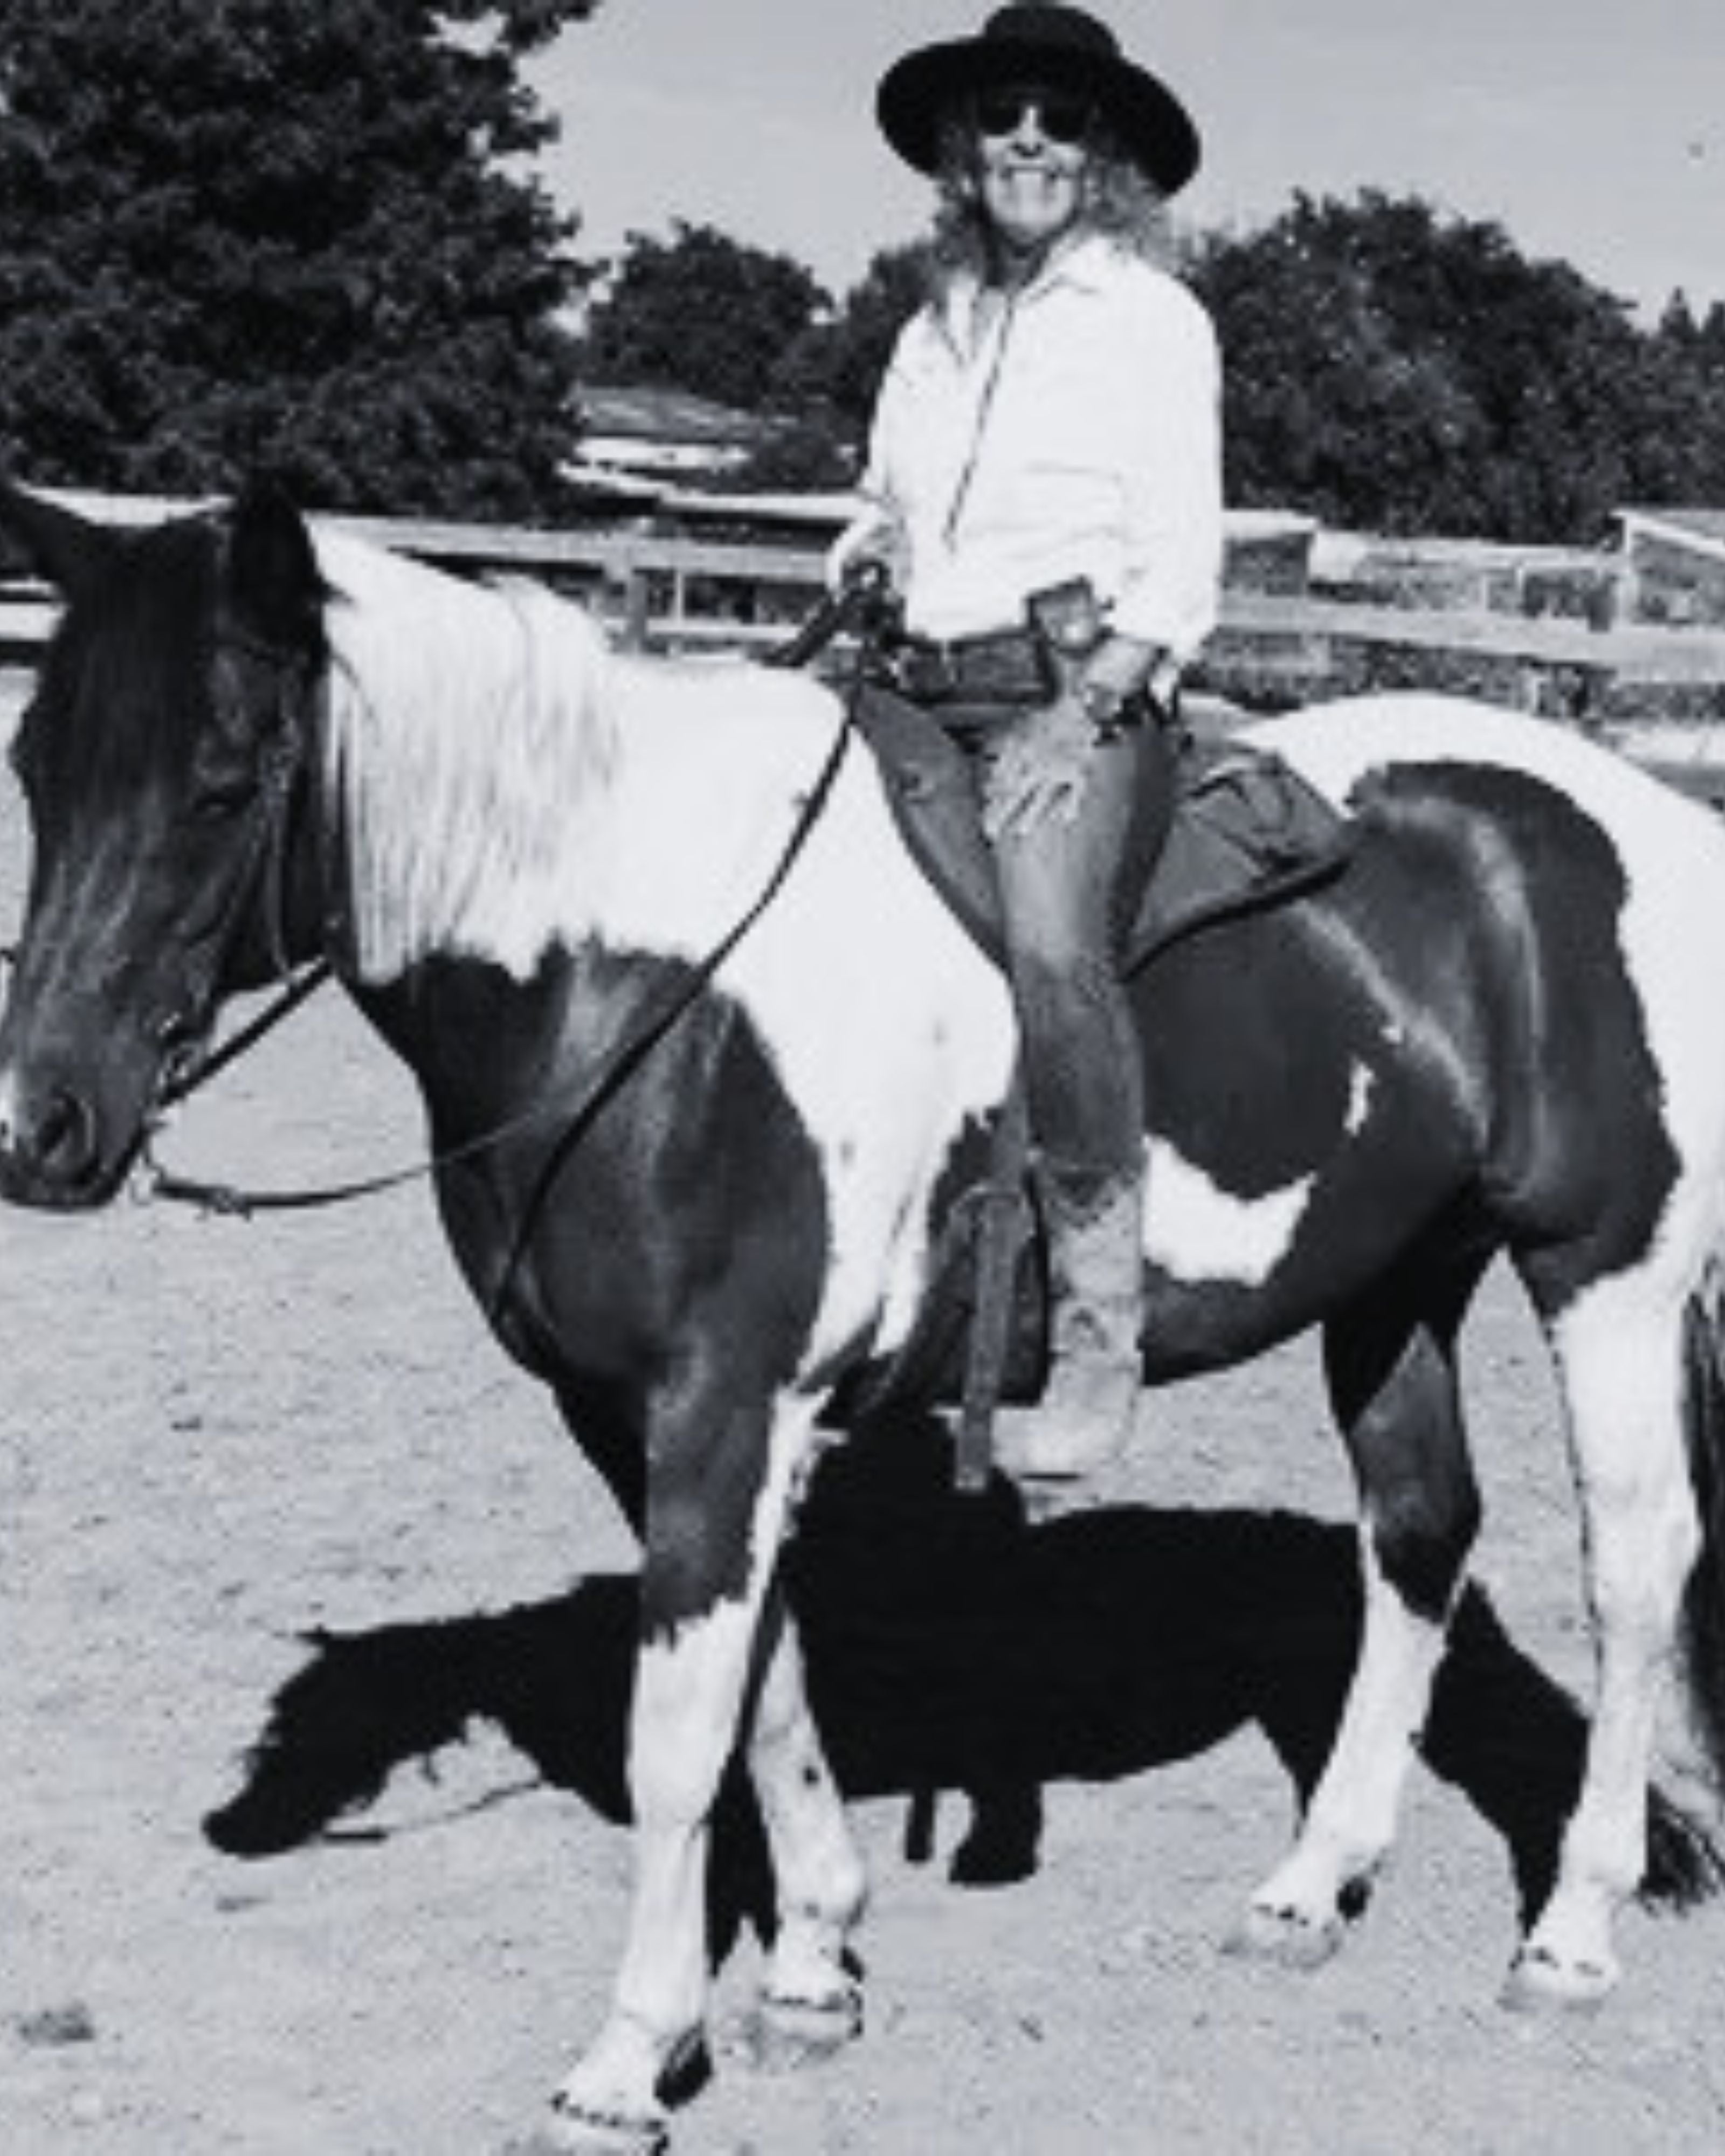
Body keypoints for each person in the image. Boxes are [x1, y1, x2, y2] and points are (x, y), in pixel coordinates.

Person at [831, 3, 1224, 1482]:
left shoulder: (1152, 320)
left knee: (1054, 937)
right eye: (1005, 115)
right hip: (909, 675)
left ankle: (1099, 1329)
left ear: (1104, 152)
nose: (1032, 143)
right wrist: (861, 560)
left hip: (1078, 688)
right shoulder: (930, 327)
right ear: (963, 143)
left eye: (1063, 120)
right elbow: (882, 505)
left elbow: (1183, 562)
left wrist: (1083, 711)